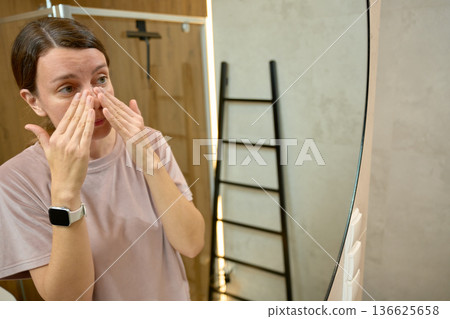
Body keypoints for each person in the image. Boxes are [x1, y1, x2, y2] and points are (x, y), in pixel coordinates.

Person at [0, 17, 205, 301]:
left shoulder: (150, 141)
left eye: (101, 79)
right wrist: (65, 192)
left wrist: (148, 160)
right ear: (34, 101)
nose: (94, 98)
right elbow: (72, 300)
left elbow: (192, 244)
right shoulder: (16, 179)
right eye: (68, 88)